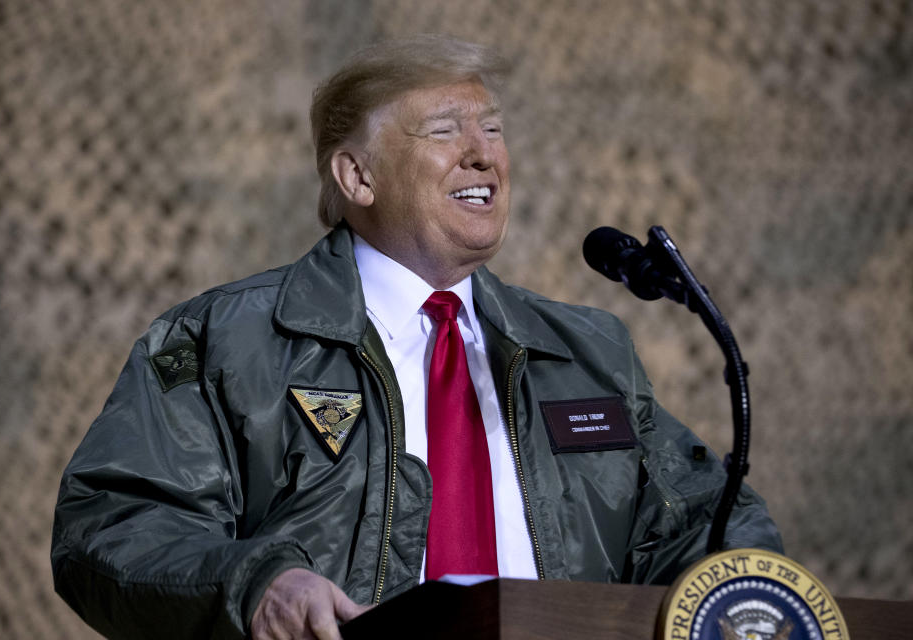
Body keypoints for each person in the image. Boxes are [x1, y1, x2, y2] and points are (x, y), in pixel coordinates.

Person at [51, 35, 782, 640]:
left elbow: (702, 525)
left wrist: (747, 595)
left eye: (492, 129)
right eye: (444, 131)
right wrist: (256, 584)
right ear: (357, 176)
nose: (483, 154)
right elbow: (111, 528)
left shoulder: (590, 352)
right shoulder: (222, 340)